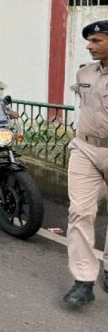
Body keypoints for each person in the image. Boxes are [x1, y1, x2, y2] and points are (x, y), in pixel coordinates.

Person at [62, 20, 108, 307]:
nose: (90, 46)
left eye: (96, 41)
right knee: (79, 211)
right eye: (89, 41)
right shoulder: (84, 72)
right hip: (85, 148)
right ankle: (83, 281)